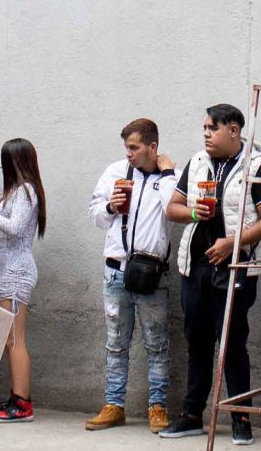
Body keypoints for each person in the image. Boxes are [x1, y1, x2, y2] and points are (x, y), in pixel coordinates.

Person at [162, 102, 261, 444]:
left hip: (235, 267)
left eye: (212, 128)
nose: (205, 134)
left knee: (231, 343)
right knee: (196, 341)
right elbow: (173, 208)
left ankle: (240, 417)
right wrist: (195, 215)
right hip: (195, 265)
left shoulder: (257, 167)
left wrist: (231, 243)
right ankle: (191, 414)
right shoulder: (198, 163)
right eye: (204, 128)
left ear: (234, 130)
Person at [85, 118, 179, 433]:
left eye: (134, 147)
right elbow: (95, 214)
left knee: (157, 344)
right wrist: (111, 206)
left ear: (152, 147)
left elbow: (173, 211)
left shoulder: (171, 178)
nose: (129, 154)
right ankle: (114, 405)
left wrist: (166, 174)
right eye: (126, 147)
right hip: (116, 271)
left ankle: (158, 407)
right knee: (115, 343)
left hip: (153, 274)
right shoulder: (115, 172)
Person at [0, 137, 48, 423]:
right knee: (9, 339)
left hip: (17, 273)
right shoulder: (15, 192)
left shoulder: (26, 191)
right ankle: (15, 395)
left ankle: (22, 403)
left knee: (15, 340)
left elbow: (14, 229)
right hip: (9, 272)